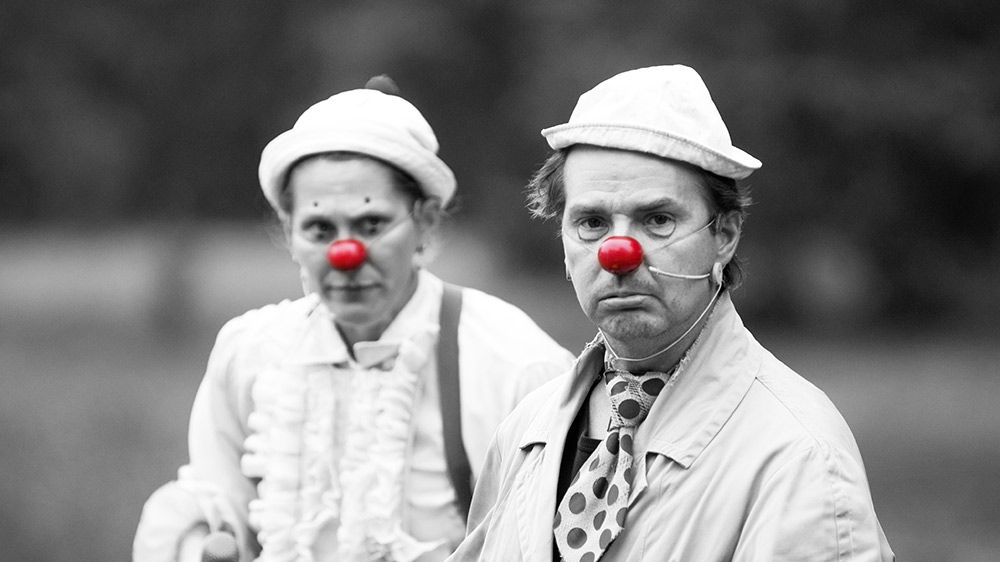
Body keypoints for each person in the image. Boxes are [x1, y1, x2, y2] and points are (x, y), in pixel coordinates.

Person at [447, 65, 895, 562]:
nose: (619, 253)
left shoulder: (798, 455)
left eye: (658, 220)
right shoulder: (523, 433)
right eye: (591, 223)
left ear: (724, 235)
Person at [132, 76, 575, 562]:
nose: (346, 254)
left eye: (372, 224)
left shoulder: (514, 364)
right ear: (288, 231)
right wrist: (198, 546)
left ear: (425, 221)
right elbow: (217, 495)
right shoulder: (247, 353)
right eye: (320, 228)